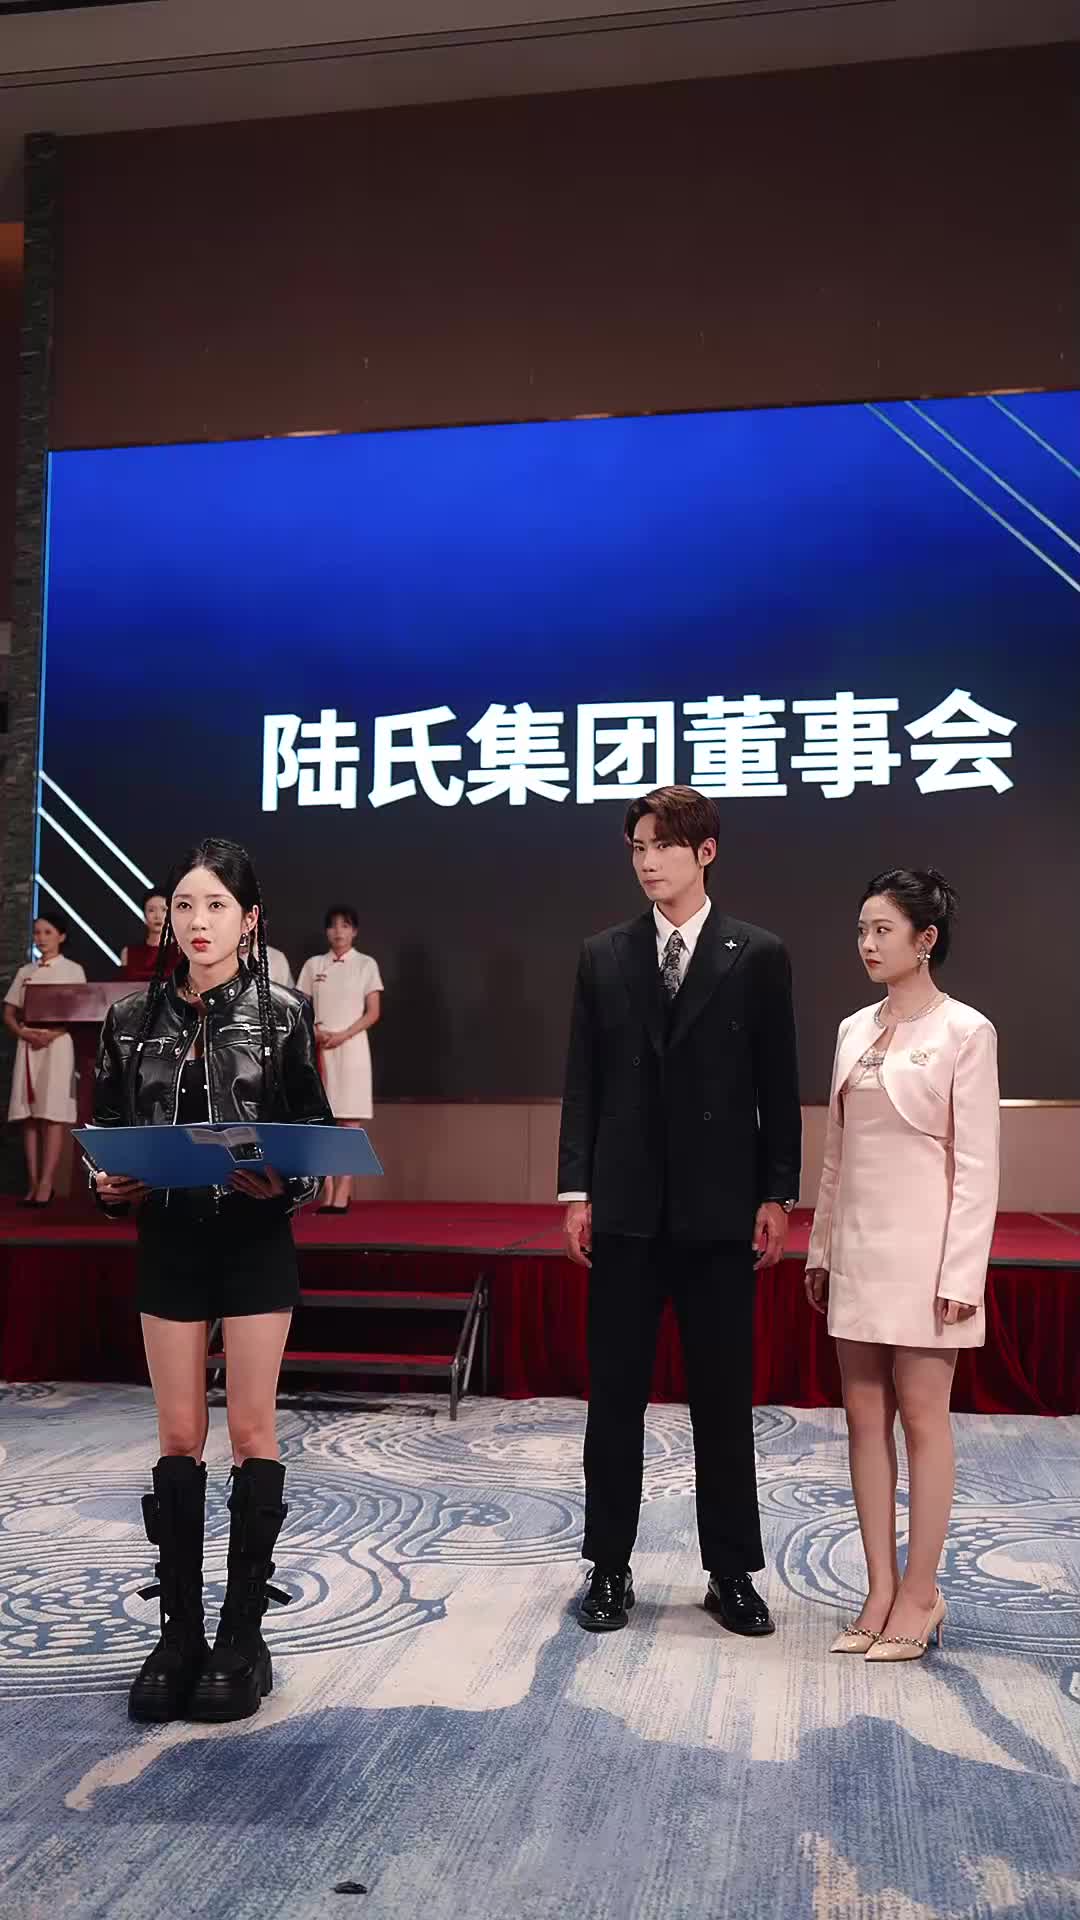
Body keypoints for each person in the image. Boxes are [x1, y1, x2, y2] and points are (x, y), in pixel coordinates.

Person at [91, 837, 333, 1723]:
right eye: (185, 905)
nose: (198, 922)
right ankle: (179, 1634)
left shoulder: (285, 1013)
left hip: (254, 1238)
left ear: (249, 918)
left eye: (217, 906)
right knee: (180, 1433)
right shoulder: (129, 1018)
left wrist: (287, 1182)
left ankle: (242, 1637)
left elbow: (314, 1135)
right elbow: (106, 1130)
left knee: (253, 1430)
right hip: (169, 1238)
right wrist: (107, 1184)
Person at [558, 786, 801, 1635]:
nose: (647, 861)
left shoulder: (757, 953)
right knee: (614, 1402)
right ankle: (608, 1566)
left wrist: (776, 1192)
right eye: (637, 846)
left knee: (722, 1403)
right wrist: (577, 1191)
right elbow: (583, 1083)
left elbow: (778, 1084)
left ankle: (730, 1571)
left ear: (705, 851)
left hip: (720, 1211)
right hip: (625, 1210)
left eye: (662, 844)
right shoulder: (604, 954)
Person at [805, 869, 999, 1664]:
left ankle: (922, 1593)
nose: (867, 943)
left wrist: (962, 1274)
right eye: (861, 929)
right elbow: (836, 1154)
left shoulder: (966, 1031)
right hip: (857, 1249)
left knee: (923, 1419)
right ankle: (879, 1589)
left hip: (927, 1256)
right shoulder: (852, 1029)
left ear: (926, 940)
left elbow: (978, 1166)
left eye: (882, 930)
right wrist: (821, 1248)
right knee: (862, 1418)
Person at [297, 906, 383, 1213]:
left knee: (349, 1121)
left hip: (352, 1048)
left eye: (345, 926)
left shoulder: (365, 964)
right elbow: (300, 1006)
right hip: (320, 1048)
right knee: (324, 1122)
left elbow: (373, 1012)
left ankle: (344, 1188)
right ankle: (327, 1188)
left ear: (354, 931)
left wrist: (344, 1034)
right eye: (333, 926)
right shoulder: (314, 965)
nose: (338, 932)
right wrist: (316, 1031)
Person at [3, 911, 86, 1206]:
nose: (41, 938)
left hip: (58, 1044)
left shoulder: (73, 970)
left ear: (61, 936)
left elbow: (80, 1012)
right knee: (28, 1115)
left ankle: (47, 1183)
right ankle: (33, 1182)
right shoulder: (26, 971)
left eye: (48, 932)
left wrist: (52, 1034)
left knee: (52, 1113)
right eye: (37, 932)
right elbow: (9, 1012)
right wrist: (23, 1033)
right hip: (28, 1044)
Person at [120, 888, 179, 981]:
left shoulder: (183, 952)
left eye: (164, 910)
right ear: (144, 916)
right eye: (151, 910)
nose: (158, 916)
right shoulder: (128, 953)